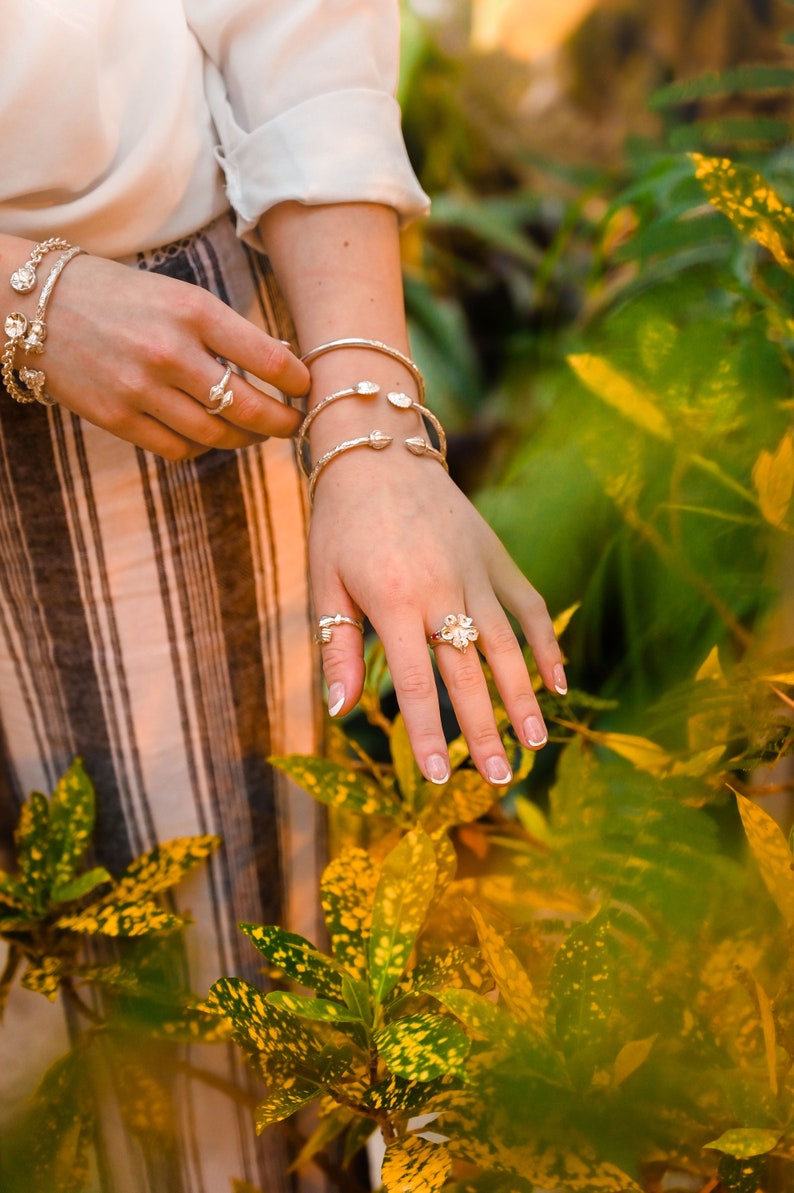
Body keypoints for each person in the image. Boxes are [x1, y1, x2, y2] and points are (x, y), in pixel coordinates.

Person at [0, 2, 567, 1190]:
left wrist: (368, 426)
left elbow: (295, 23)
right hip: (106, 335)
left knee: (213, 1093)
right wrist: (22, 298)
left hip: (159, 393)